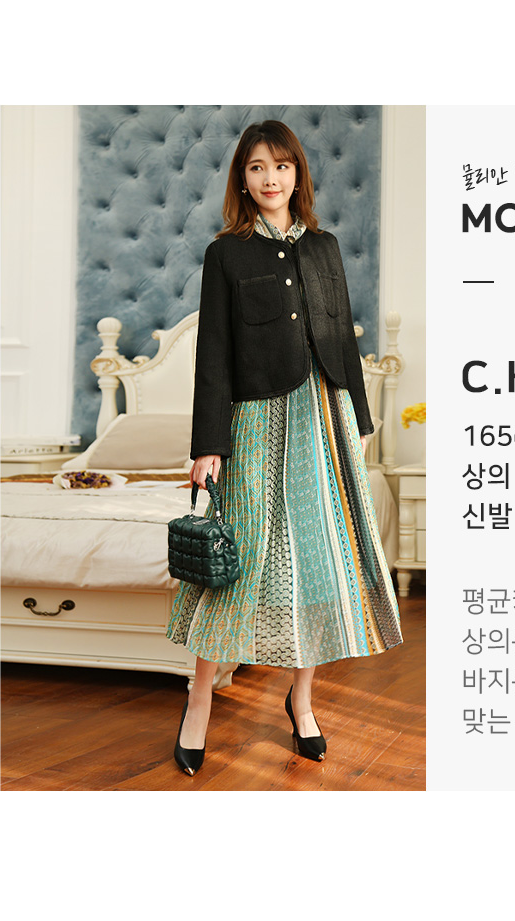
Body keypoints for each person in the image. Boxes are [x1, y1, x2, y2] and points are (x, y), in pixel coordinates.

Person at [168, 120, 401, 774]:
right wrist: (209, 444)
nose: (270, 178)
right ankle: (199, 701)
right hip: (255, 419)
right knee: (239, 561)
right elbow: (213, 354)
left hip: (324, 416)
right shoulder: (227, 254)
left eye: (281, 166)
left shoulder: (325, 247)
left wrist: (359, 421)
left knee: (321, 562)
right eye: (256, 168)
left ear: (298, 174)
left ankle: (301, 702)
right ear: (242, 180)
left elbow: (342, 338)